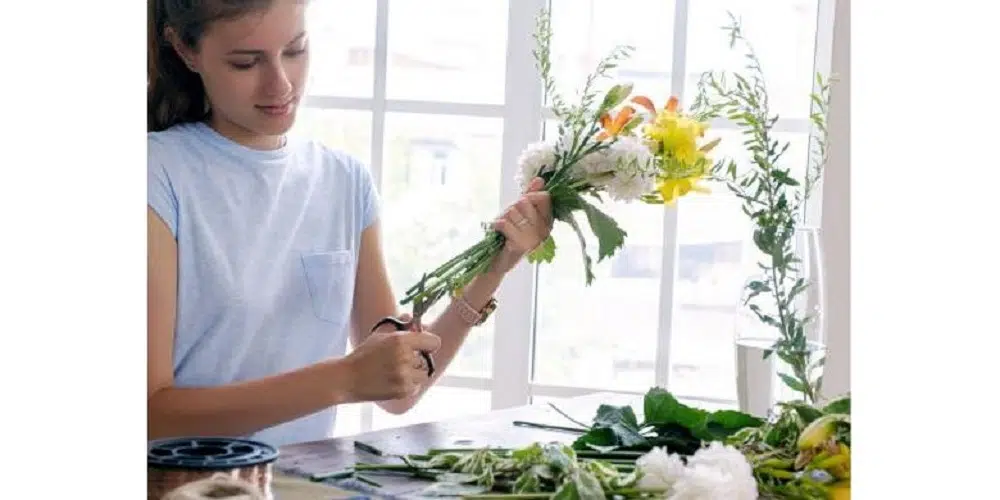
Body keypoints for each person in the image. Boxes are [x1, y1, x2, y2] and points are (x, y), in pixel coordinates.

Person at [147, 0, 553, 448]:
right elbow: (150, 410)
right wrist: (344, 378)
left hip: (302, 487)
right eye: (246, 62)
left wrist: (497, 264)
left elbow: (400, 392)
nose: (280, 83)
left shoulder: (344, 181)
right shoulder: (157, 173)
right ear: (186, 50)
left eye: (295, 51)